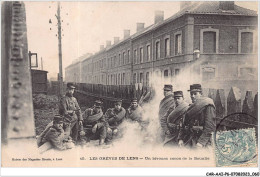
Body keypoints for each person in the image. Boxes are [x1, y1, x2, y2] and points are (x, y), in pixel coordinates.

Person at [178, 84, 216, 148]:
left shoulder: (207, 105)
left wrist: (201, 142)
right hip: (190, 139)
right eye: (191, 94)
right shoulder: (191, 107)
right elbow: (184, 124)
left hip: (203, 142)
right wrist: (180, 138)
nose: (192, 96)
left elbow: (210, 127)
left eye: (195, 94)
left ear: (201, 94)